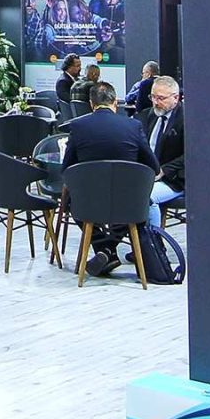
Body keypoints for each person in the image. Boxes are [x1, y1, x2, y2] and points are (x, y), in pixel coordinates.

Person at [56, 80, 156, 275]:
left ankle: (104, 249)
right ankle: (108, 249)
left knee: (70, 203)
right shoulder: (133, 126)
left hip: (89, 201)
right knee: (134, 207)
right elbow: (153, 165)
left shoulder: (78, 126)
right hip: (129, 201)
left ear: (91, 104)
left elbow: (67, 167)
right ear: (115, 102)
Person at [142, 74, 185, 225]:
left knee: (145, 198)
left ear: (176, 98)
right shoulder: (150, 115)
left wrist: (164, 170)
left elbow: (190, 155)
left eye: (161, 98)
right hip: (147, 175)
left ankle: (153, 240)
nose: (155, 102)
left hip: (174, 179)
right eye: (153, 97)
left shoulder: (185, 119)